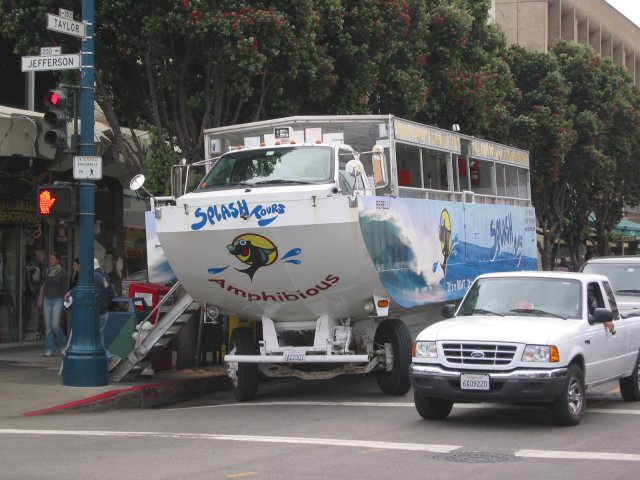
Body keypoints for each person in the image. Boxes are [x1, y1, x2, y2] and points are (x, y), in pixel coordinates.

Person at [94, 258, 121, 370]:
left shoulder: (93, 276)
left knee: (96, 340)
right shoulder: (104, 276)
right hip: (104, 312)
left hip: (97, 312)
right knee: (99, 339)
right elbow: (111, 293)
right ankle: (105, 361)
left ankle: (111, 357)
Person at [42, 253, 68, 356]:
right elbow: (44, 285)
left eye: (53, 258)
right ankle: (49, 349)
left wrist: (65, 302)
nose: (51, 260)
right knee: (48, 327)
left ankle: (63, 344)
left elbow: (65, 289)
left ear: (58, 260)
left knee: (55, 325)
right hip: (47, 300)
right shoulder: (46, 271)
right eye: (50, 258)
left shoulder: (63, 273)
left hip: (58, 300)